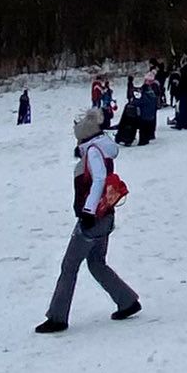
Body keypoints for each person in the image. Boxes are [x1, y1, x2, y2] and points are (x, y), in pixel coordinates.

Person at [36, 109, 140, 333]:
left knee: (69, 265)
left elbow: (99, 179)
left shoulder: (93, 151)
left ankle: (57, 317)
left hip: (93, 218)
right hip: (106, 215)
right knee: (96, 262)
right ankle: (127, 301)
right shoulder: (103, 148)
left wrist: (88, 211)